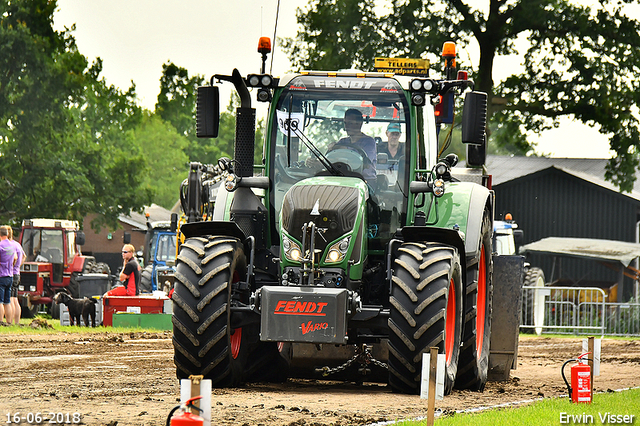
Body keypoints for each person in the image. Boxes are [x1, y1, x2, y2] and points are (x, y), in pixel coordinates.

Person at [331, 108, 377, 182]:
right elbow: (332, 159)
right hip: (344, 178)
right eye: (345, 123)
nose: (346, 127)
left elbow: (365, 164)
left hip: (365, 181)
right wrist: (318, 162)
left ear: (359, 123)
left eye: (350, 123)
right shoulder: (343, 141)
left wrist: (344, 149)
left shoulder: (369, 142)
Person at [2, 226, 24, 324]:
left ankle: (9, 321)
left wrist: (11, 266)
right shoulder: (17, 245)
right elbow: (23, 256)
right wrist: (18, 266)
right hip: (16, 273)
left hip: (8, 273)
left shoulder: (7, 245)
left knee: (9, 300)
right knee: (15, 299)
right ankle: (16, 322)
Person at [0, 226, 17, 324]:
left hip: (1, 275)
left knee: (0, 301)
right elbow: (15, 258)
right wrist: (10, 266)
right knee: (7, 301)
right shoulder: (12, 245)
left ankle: (1, 321)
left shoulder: (0, 245)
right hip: (10, 275)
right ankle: (9, 322)